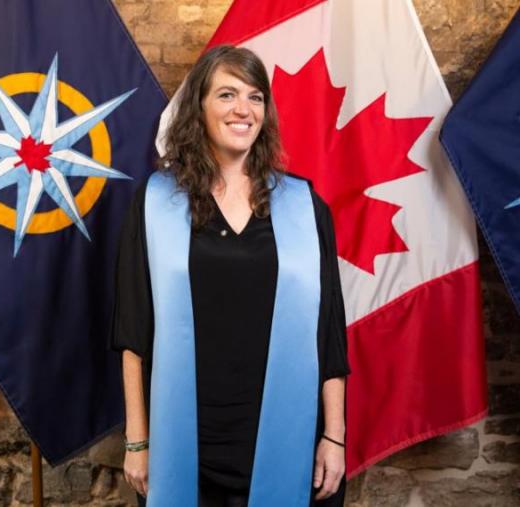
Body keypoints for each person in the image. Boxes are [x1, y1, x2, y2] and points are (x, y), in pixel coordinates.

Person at [111, 45, 350, 507]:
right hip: (187, 443)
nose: (244, 109)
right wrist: (137, 441)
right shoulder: (156, 203)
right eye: (227, 94)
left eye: (256, 97)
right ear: (199, 107)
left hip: (289, 436)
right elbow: (132, 333)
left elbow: (329, 336)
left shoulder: (305, 206)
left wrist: (334, 438)